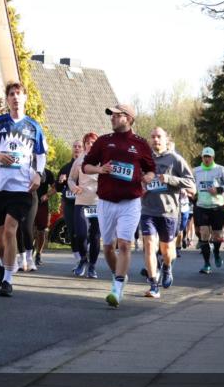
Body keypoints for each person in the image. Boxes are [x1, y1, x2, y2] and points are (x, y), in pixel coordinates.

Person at [80, 104, 156, 307]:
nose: (112, 118)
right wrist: (100, 169)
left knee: (124, 244)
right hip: (105, 201)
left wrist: (147, 178)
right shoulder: (104, 141)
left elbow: (151, 170)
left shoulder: (140, 144)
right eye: (111, 115)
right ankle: (118, 275)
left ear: (129, 118)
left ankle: (117, 288)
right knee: (107, 248)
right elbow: (85, 167)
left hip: (130, 202)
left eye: (117, 115)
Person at [0, 81, 47, 296]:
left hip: (21, 188)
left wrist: (38, 173)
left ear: (25, 98)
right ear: (7, 99)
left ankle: (8, 280)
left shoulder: (33, 127)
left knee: (10, 230)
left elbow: (41, 155)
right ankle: (3, 264)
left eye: (19, 94)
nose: (16, 97)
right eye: (11, 94)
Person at [139, 127, 194, 298]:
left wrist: (169, 179)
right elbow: (137, 179)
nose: (155, 139)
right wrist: (141, 185)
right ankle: (153, 284)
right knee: (148, 244)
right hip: (148, 209)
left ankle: (167, 266)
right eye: (153, 136)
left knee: (167, 250)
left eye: (159, 137)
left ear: (165, 139)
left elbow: (191, 185)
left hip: (168, 212)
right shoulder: (144, 160)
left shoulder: (175, 160)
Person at [192, 147, 224, 274]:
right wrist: (191, 192)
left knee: (217, 236)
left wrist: (219, 190)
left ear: (213, 157)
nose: (207, 159)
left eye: (209, 157)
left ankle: (216, 252)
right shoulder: (196, 171)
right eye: (205, 156)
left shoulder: (220, 169)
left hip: (217, 207)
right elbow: (191, 184)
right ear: (202, 157)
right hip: (202, 206)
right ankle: (206, 263)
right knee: (204, 233)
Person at [69, 132, 101, 279]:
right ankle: (83, 259)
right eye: (87, 143)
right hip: (81, 202)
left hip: (97, 203)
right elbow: (70, 179)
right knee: (81, 234)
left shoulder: (103, 160)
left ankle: (92, 267)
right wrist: (74, 188)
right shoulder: (79, 160)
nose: (90, 145)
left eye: (93, 143)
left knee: (95, 236)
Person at [58, 140, 84, 270]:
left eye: (79, 147)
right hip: (69, 204)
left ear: (83, 149)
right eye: (75, 146)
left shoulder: (86, 166)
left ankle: (85, 256)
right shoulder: (65, 168)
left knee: (84, 232)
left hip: (84, 203)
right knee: (72, 232)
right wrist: (61, 181)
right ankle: (78, 260)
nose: (77, 149)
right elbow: (57, 188)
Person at [32, 167, 56, 267]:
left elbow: (55, 188)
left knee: (41, 230)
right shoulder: (27, 169)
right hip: (29, 202)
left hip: (42, 204)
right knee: (29, 229)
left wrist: (47, 195)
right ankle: (29, 251)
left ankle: (38, 254)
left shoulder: (47, 172)